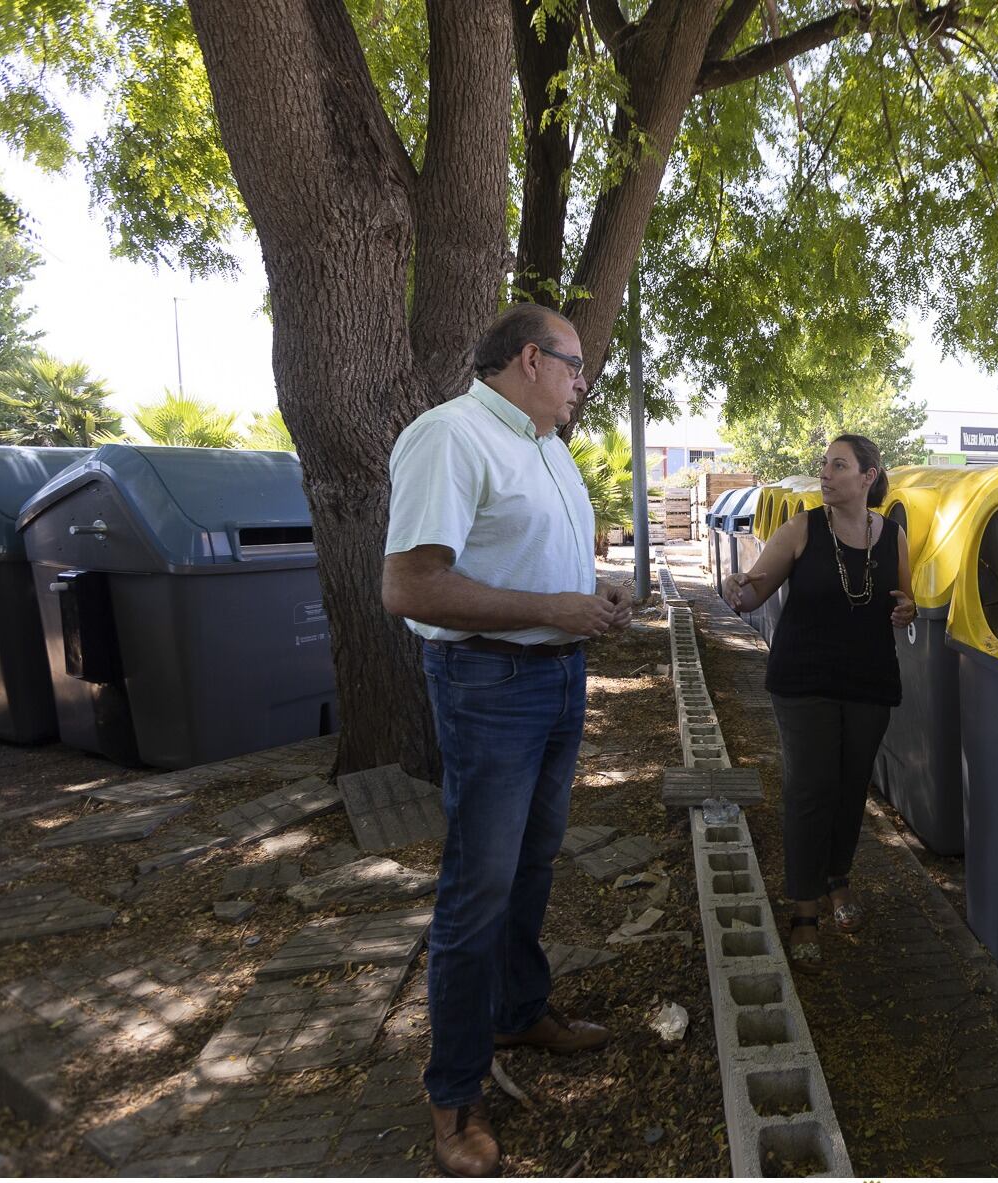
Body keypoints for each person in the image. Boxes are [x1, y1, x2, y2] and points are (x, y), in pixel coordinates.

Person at [381, 304, 633, 1178]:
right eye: (573, 368)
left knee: (533, 862)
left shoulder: (545, 444)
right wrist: (549, 609)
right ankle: (453, 1095)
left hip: (558, 677)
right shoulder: (449, 437)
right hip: (490, 686)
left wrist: (589, 593)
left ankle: (520, 1010)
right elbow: (410, 586)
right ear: (531, 359)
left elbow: (528, 563)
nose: (580, 384)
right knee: (476, 890)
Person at [723, 434, 916, 970]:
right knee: (811, 789)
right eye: (824, 466)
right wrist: (733, 586)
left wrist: (907, 610)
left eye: (838, 466)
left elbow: (902, 602)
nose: (825, 475)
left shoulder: (894, 536)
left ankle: (838, 880)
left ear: (868, 477)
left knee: (851, 790)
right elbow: (749, 595)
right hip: (803, 681)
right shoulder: (801, 528)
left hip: (869, 682)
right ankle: (804, 909)